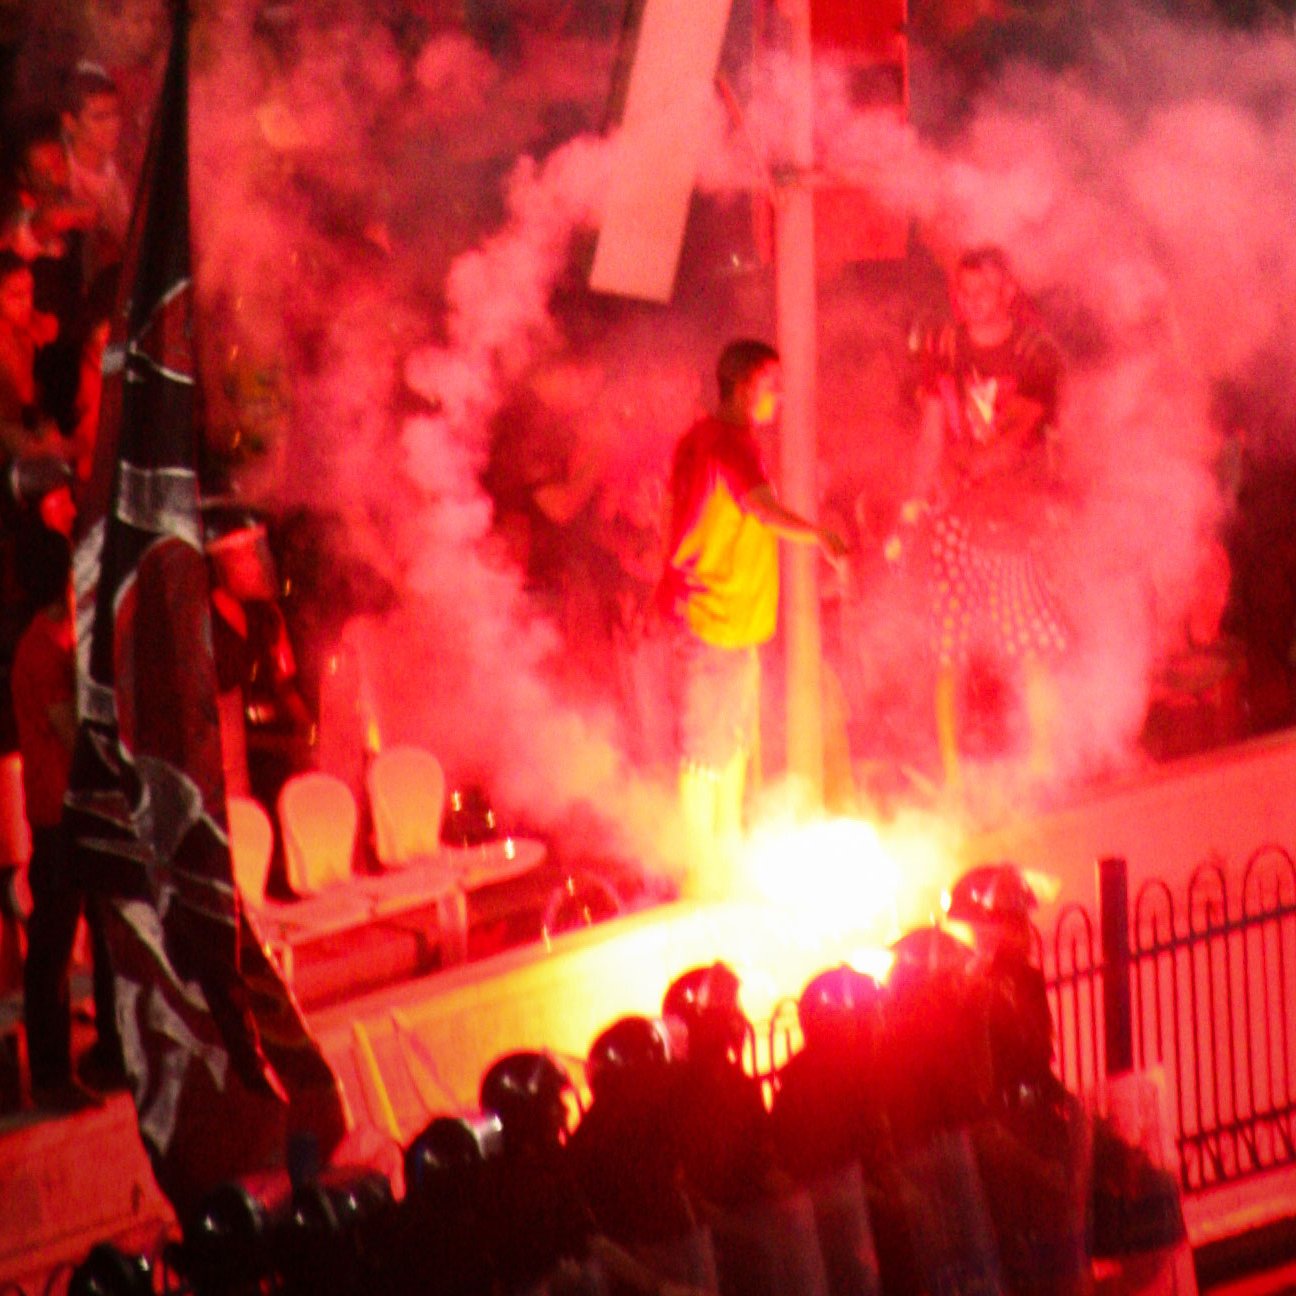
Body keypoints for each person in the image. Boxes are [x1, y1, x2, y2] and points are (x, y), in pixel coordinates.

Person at [658, 340, 846, 891]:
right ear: (744, 387)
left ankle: (724, 858)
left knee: (733, 744)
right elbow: (761, 509)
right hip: (712, 620)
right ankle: (701, 872)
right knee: (704, 753)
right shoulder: (726, 445)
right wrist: (818, 534)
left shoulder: (702, 439)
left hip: (730, 623)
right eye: (773, 386)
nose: (780, 398)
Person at [905, 246, 1069, 795]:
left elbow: (1021, 426)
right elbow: (932, 429)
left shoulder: (1035, 351)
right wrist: (915, 503)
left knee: (1028, 642)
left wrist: (968, 468)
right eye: (963, 291)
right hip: (954, 520)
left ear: (1008, 292)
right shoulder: (944, 345)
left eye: (982, 291)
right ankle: (953, 777)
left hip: (1012, 514)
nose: (969, 303)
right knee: (946, 646)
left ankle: (1040, 764)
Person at [11, 521, 123, 1110]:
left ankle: (110, 1050)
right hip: (58, 817)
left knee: (104, 931)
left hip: (80, 812)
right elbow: (69, 728)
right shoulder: (41, 648)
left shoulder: (62, 635)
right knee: (54, 944)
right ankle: (52, 1075)